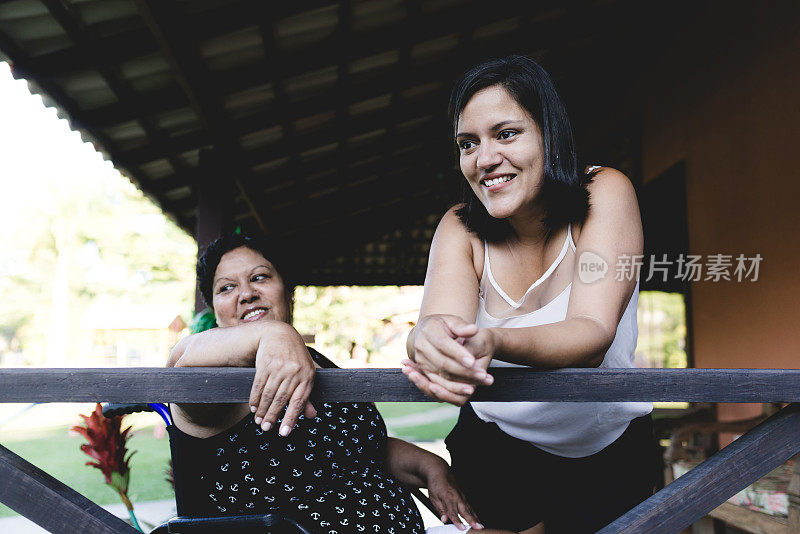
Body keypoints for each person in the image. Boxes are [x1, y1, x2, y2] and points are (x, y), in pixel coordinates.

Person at [403, 55, 657, 533]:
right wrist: (427, 341)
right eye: (467, 143)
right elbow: (436, 323)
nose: (484, 159)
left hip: (606, 451)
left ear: (549, 134)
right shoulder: (460, 228)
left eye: (506, 134)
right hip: (494, 447)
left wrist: (495, 341)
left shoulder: (604, 192)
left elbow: (592, 334)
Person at [167, 233, 501, 533]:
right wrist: (272, 332)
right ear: (214, 308)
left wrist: (432, 468)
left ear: (287, 289)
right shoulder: (214, 378)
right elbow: (179, 364)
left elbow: (358, 448)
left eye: (260, 277)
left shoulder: (313, 361)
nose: (246, 294)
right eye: (226, 287)